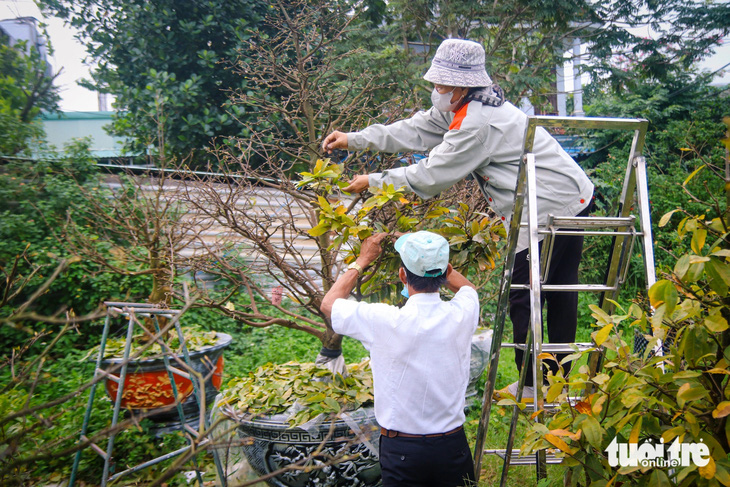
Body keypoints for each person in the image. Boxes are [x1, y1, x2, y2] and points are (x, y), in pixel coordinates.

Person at [322, 38, 594, 399]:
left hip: (554, 204)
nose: (436, 91)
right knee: (550, 292)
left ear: (463, 84)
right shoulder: (464, 105)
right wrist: (354, 139)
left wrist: (373, 182)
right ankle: (547, 383)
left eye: (441, 85)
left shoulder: (477, 122)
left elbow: (431, 176)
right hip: (553, 197)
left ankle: (538, 386)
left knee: (530, 295)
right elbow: (415, 130)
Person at [320, 231, 479, 487]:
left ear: (402, 275)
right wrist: (431, 258)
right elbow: (468, 289)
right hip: (453, 447)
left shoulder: (384, 320)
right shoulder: (463, 312)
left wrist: (362, 261)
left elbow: (329, 304)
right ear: (446, 270)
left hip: (403, 450)